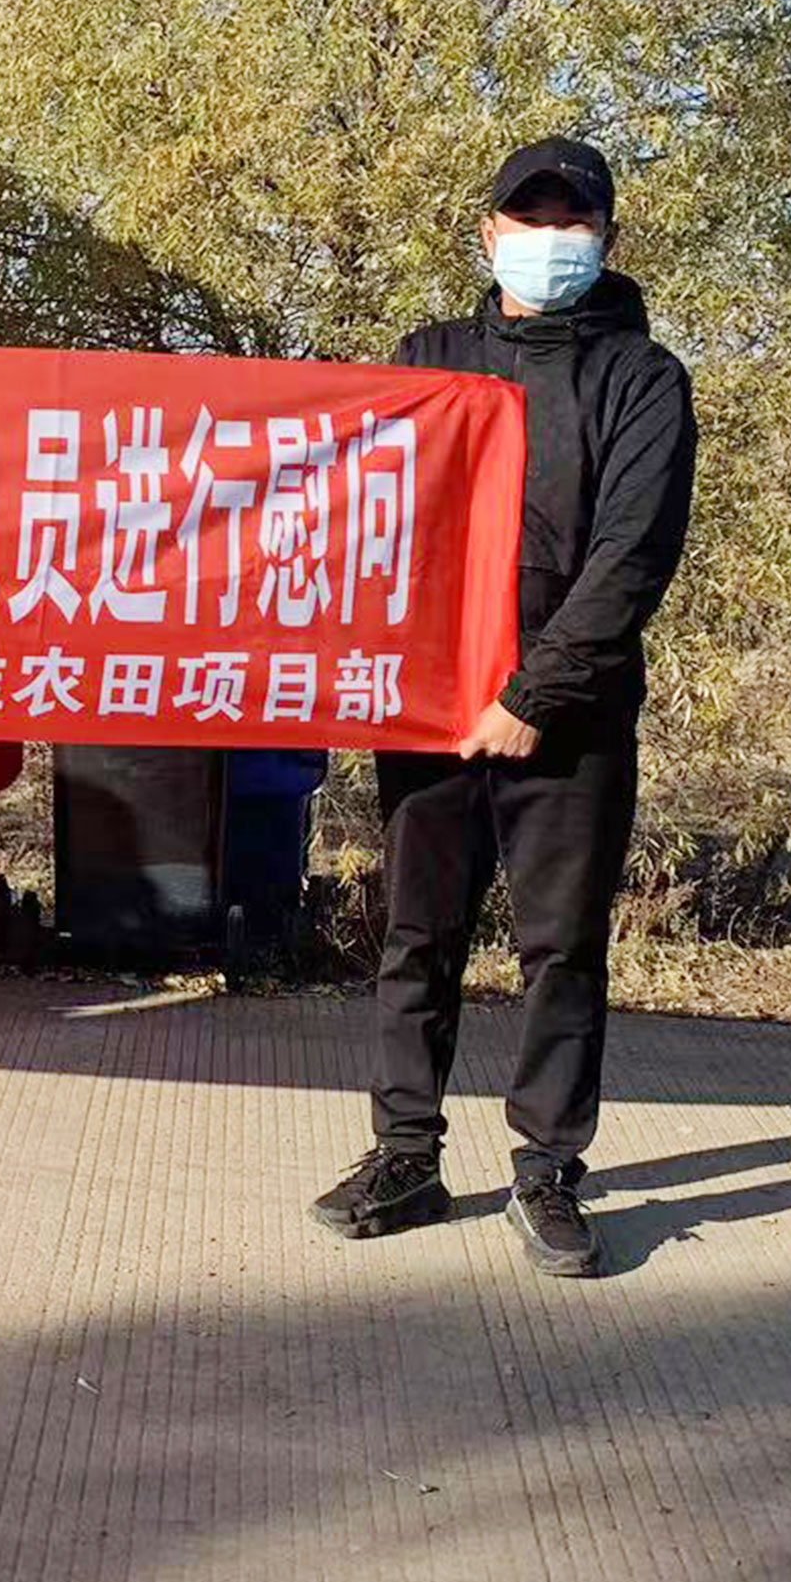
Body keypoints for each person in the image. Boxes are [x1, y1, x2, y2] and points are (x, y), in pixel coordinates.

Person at [311, 135, 697, 1278]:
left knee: (560, 951)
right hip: (430, 710)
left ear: (607, 239)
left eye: (572, 222)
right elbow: (365, 511)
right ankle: (406, 1155)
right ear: (489, 234)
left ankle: (548, 1170)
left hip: (569, 719)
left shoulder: (643, 381)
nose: (549, 240)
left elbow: (631, 559)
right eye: (529, 219)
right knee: (415, 935)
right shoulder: (428, 360)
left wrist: (533, 695)